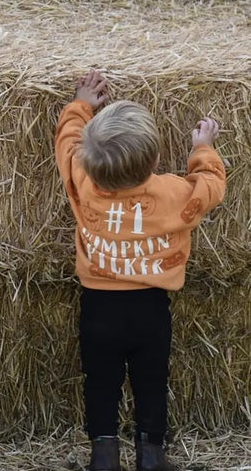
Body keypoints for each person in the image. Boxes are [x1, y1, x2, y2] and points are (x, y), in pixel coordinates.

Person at [54, 70, 226, 471]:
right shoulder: (173, 193)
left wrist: (80, 105)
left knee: (100, 382)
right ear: (153, 161)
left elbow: (66, 143)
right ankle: (151, 454)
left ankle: (103, 454)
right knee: (151, 383)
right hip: (151, 310)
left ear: (89, 159)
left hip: (97, 308)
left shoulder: (82, 181)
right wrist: (203, 148)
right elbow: (211, 185)